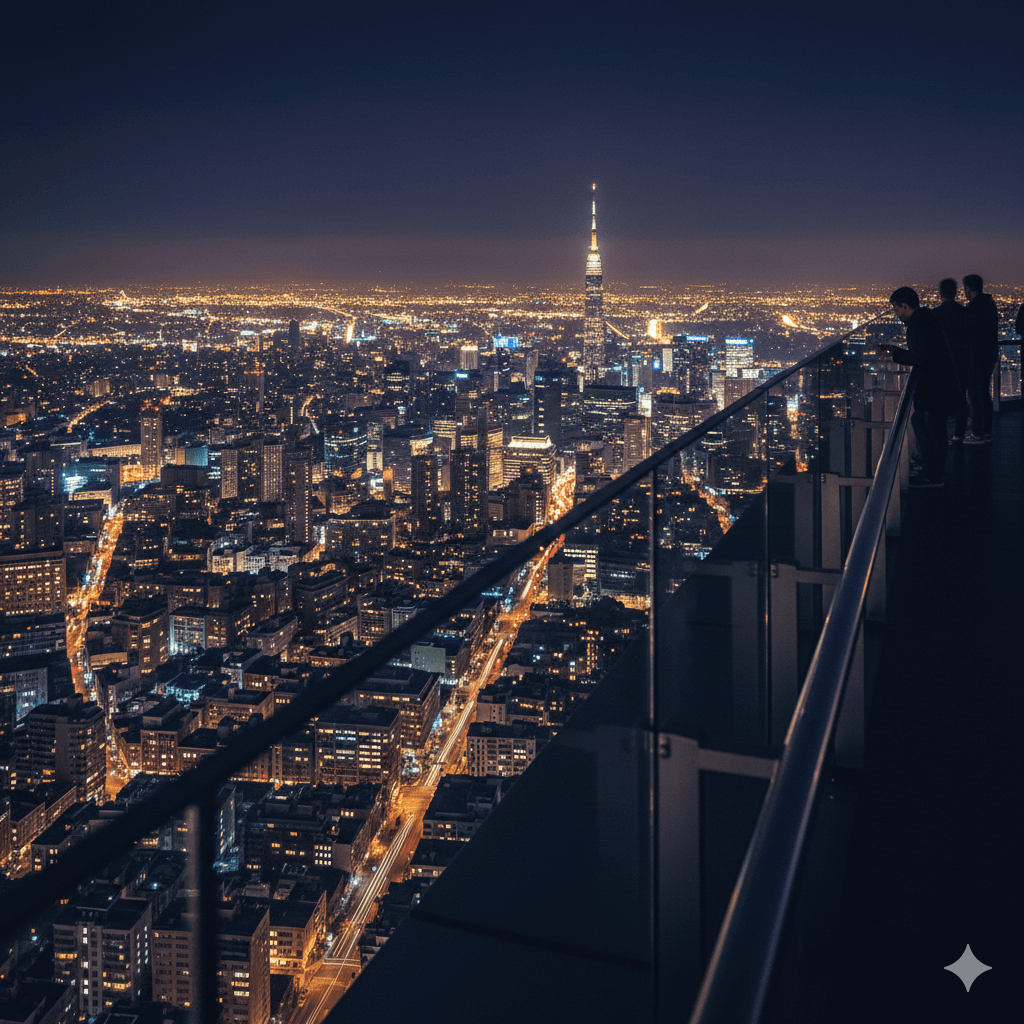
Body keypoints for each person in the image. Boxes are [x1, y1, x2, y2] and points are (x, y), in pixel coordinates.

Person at [879, 286, 960, 488]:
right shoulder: (926, 318)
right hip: (941, 383)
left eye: (896, 308)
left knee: (931, 427)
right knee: (927, 423)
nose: (896, 314)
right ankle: (932, 470)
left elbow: (920, 356)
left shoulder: (917, 324)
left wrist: (895, 355)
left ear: (905, 306)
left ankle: (933, 474)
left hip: (935, 386)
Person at [962, 273, 999, 443]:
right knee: (984, 393)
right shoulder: (989, 304)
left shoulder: (974, 307)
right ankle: (986, 431)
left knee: (976, 394)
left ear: (968, 289)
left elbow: (971, 334)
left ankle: (977, 432)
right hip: (989, 354)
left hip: (977, 357)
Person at [934, 278, 970, 440]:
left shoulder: (935, 315)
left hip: (941, 364)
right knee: (962, 398)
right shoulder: (964, 313)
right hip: (962, 361)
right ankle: (959, 434)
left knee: (940, 400)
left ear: (941, 293)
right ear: (956, 292)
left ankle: (941, 435)